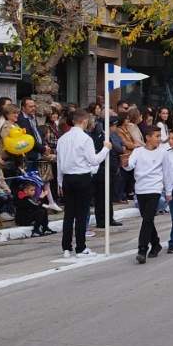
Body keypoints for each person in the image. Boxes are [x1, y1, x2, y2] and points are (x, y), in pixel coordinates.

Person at [56, 109, 103, 258]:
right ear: (83, 121)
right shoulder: (85, 138)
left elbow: (59, 162)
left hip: (67, 178)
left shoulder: (62, 138)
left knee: (69, 213)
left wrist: (59, 181)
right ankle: (81, 247)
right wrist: (106, 149)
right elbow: (94, 160)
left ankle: (66, 247)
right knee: (82, 213)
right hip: (82, 177)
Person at [124, 126, 168, 264]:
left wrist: (169, 191)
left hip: (155, 189)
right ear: (148, 137)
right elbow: (129, 166)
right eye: (156, 136)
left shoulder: (163, 153)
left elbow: (167, 173)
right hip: (140, 189)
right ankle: (156, 244)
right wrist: (125, 164)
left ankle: (142, 250)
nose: (159, 139)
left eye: (160, 136)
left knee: (147, 219)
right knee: (147, 219)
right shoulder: (138, 152)